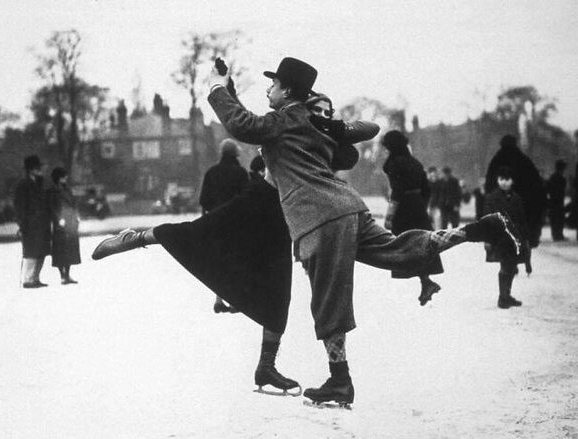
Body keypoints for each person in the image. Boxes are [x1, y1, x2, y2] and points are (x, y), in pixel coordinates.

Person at [204, 56, 523, 407]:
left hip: (320, 219)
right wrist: (233, 89)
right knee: (400, 250)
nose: (269, 89)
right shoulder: (313, 124)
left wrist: (218, 87)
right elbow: (347, 136)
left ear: (289, 90)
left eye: (274, 84)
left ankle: (340, 380)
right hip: (349, 208)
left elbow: (242, 125)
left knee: (328, 299)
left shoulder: (284, 119)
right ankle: (478, 229)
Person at [92, 90, 380, 397]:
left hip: (286, 215)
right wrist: (226, 91)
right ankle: (136, 238)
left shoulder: (323, 136)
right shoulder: (289, 127)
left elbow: (362, 138)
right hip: (261, 201)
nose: (324, 115)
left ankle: (266, 367)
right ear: (305, 111)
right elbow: (247, 123)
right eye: (318, 110)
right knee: (197, 233)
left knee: (278, 293)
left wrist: (335, 126)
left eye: (329, 110)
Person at [381, 131, 443, 305]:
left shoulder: (395, 163)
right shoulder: (415, 163)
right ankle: (426, 282)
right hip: (418, 207)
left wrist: (390, 215)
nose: (385, 152)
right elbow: (427, 189)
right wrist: (420, 205)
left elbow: (397, 191)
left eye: (386, 148)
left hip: (404, 210)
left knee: (405, 243)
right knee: (421, 243)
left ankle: (425, 283)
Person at [199, 138, 249, 313]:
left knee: (219, 261)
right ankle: (235, 301)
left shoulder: (211, 173)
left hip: (215, 222)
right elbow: (247, 198)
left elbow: (203, 200)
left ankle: (218, 299)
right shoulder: (241, 173)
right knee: (235, 260)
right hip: (236, 223)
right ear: (236, 154)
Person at [485, 134, 546, 248]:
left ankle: (507, 264)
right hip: (524, 207)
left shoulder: (496, 161)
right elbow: (537, 188)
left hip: (501, 207)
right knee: (522, 238)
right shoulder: (525, 161)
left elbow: (489, 187)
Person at [483, 166, 530, 309]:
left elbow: (522, 219)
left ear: (512, 181)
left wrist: (526, 239)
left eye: (507, 179)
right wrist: (487, 239)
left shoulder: (516, 198)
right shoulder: (491, 198)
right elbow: (486, 220)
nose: (504, 182)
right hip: (499, 238)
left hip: (514, 239)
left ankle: (506, 295)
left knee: (511, 266)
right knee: (505, 266)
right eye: (501, 179)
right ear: (497, 180)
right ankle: (502, 297)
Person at [13, 155, 51, 288]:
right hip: (30, 224)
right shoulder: (23, 185)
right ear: (30, 169)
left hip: (41, 224)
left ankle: (35, 278)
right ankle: (27, 279)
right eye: (37, 168)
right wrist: (22, 224)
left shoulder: (39, 183)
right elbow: (19, 206)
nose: (40, 170)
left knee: (41, 251)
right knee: (30, 252)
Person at [47, 167, 81, 284]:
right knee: (60, 250)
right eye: (63, 176)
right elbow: (52, 207)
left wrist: (77, 215)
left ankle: (67, 274)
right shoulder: (52, 191)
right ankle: (62, 275)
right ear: (58, 178)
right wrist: (58, 219)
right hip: (61, 223)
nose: (65, 178)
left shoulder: (67, 189)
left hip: (71, 221)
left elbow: (74, 204)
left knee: (70, 249)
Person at [546, 159, 567, 241]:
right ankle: (558, 234)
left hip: (554, 200)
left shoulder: (553, 177)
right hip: (557, 200)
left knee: (556, 217)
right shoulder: (560, 178)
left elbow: (548, 188)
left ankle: (557, 234)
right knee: (558, 217)